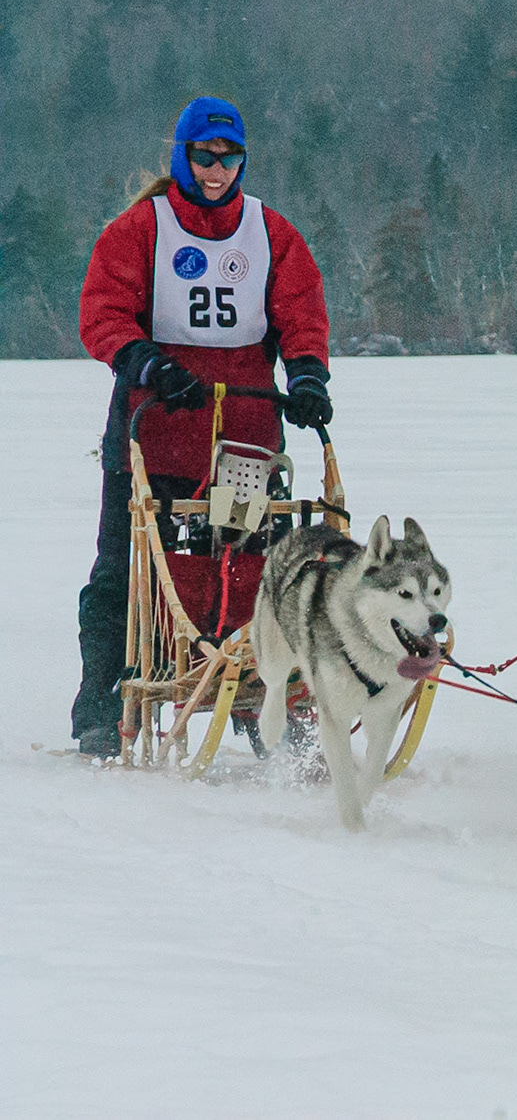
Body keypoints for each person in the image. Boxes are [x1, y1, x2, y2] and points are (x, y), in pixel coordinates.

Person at [69, 96, 333, 758]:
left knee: (248, 569)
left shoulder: (270, 234)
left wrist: (307, 377)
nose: (217, 171)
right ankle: (102, 704)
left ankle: (255, 701)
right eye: (205, 157)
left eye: (230, 158)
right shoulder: (140, 229)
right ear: (181, 155)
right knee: (127, 573)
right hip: (152, 432)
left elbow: (301, 312)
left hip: (242, 443)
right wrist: (147, 364)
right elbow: (103, 314)